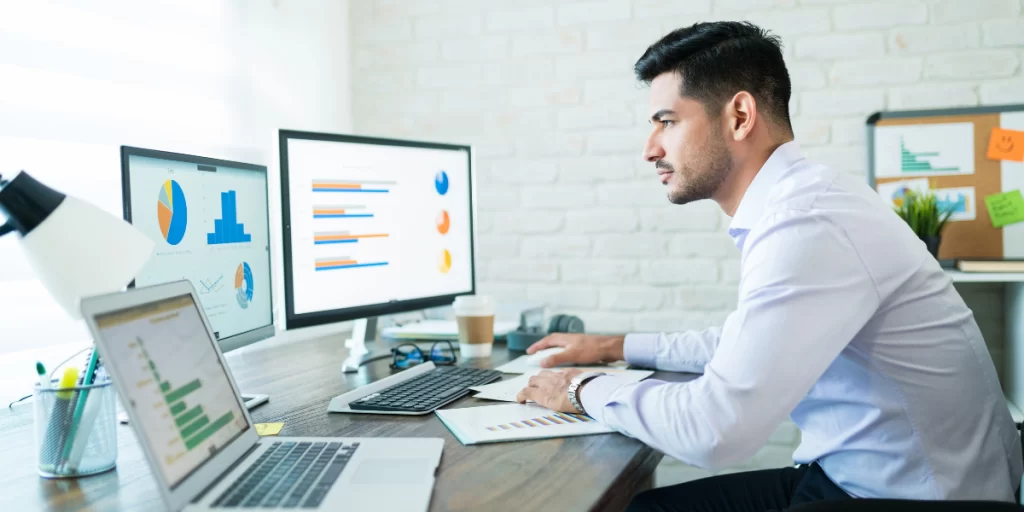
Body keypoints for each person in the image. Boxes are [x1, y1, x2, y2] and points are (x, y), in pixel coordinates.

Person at [516, 21, 1023, 512]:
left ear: (739, 116)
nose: (650, 148)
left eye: (666, 121)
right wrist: (614, 347)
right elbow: (750, 342)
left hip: (910, 500)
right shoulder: (805, 202)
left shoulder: (806, 222)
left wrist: (581, 389)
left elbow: (716, 431)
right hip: (860, 480)